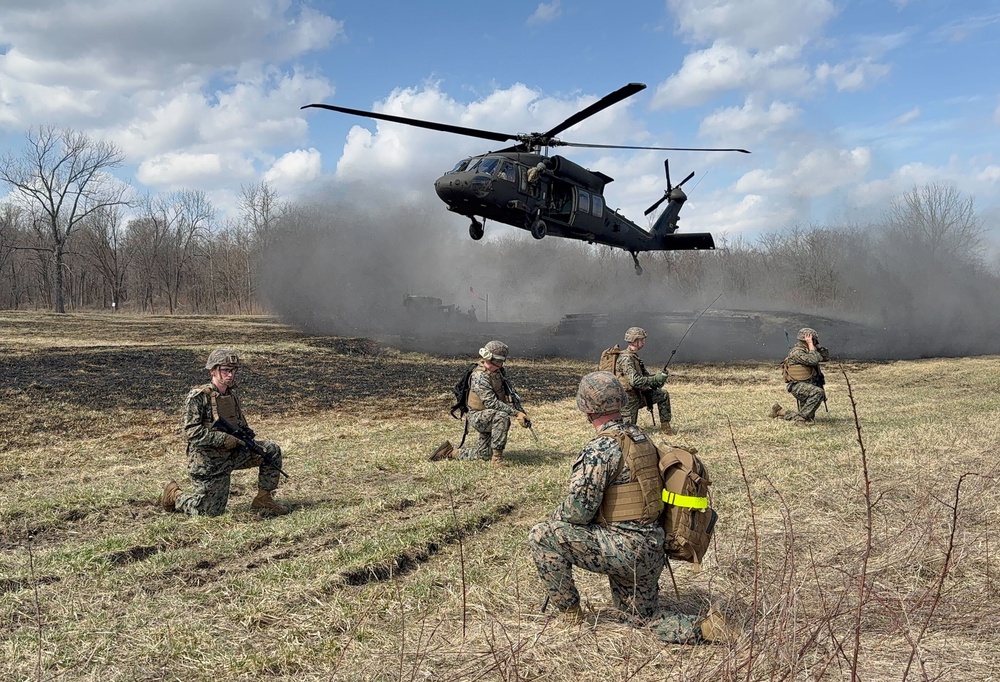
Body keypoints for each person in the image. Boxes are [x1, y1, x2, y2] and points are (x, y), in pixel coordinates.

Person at [526, 371, 736, 643]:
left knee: (542, 535)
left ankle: (571, 618)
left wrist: (557, 516)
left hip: (621, 548)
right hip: (650, 549)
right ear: (621, 401)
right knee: (642, 620)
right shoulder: (640, 438)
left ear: (587, 409)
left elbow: (579, 511)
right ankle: (706, 628)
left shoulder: (601, 448)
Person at [160, 349, 290, 517]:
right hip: (208, 461)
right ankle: (175, 495)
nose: (230, 375)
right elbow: (191, 432)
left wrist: (245, 435)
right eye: (225, 370)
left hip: (232, 453)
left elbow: (239, 423)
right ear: (213, 370)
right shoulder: (199, 397)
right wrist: (224, 439)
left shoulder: (231, 395)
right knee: (208, 512)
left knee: (270, 451)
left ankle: (263, 499)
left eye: (233, 370)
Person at [429, 340, 530, 468]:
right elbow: (491, 402)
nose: (500, 365)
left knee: (483, 454)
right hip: (478, 416)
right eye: (497, 362)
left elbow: (507, 394)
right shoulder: (479, 376)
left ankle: (449, 453)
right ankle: (497, 460)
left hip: (488, 415)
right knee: (501, 417)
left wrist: (520, 410)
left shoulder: (498, 373)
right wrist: (516, 413)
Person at [615, 327, 673, 435]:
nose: (644, 342)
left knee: (663, 395)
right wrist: (655, 379)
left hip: (638, 394)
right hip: (628, 399)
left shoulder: (634, 357)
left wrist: (658, 378)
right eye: (641, 340)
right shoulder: (626, 359)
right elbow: (635, 381)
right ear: (634, 341)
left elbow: (645, 376)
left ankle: (666, 427)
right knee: (628, 432)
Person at [771, 327, 830, 425]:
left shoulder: (809, 350)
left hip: (809, 384)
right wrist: (811, 345)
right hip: (798, 386)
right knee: (818, 393)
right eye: (813, 339)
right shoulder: (797, 352)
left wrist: (819, 347)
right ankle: (800, 419)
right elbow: (813, 360)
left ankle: (780, 412)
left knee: (809, 417)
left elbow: (825, 358)